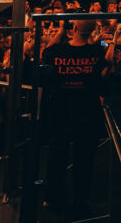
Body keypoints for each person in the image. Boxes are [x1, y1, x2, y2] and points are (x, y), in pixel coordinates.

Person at [41, 19, 112, 214]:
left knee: (57, 154)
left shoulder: (57, 50)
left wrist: (60, 31)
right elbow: (105, 65)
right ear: (92, 31)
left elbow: (45, 52)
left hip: (61, 110)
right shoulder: (96, 51)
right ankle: (81, 199)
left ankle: (53, 196)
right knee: (85, 157)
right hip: (87, 110)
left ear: (73, 28)